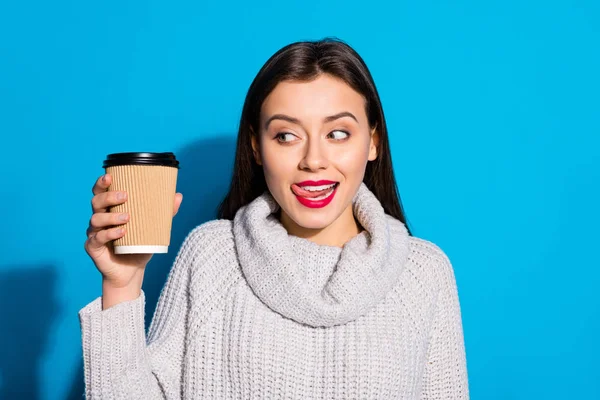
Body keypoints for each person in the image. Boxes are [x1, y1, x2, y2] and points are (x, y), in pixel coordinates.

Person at [80, 38, 469, 399]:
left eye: (337, 133)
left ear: (372, 142)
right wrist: (122, 284)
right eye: (286, 135)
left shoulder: (423, 273)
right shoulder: (212, 256)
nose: (313, 160)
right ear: (256, 147)